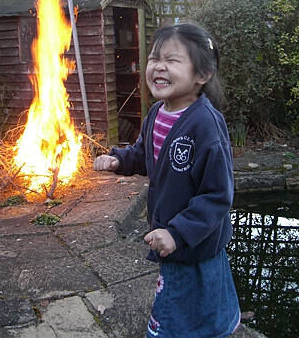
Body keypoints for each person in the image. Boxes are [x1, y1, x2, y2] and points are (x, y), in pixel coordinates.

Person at [94, 22, 240, 338]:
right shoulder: (158, 113)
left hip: (192, 239)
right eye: (154, 58)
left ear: (202, 75)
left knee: (179, 307)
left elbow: (217, 195)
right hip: (173, 236)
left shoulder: (205, 126)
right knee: (199, 300)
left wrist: (178, 232)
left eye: (172, 60)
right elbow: (146, 153)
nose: (159, 66)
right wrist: (119, 160)